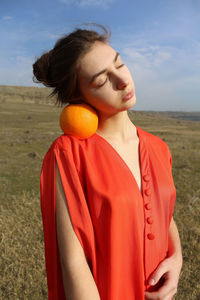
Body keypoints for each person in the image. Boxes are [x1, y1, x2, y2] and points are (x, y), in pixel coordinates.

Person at [33, 24, 183, 300]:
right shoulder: (69, 153)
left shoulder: (159, 148)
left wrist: (177, 259)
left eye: (120, 64)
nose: (123, 81)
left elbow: (163, 215)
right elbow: (73, 262)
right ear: (79, 96)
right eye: (101, 80)